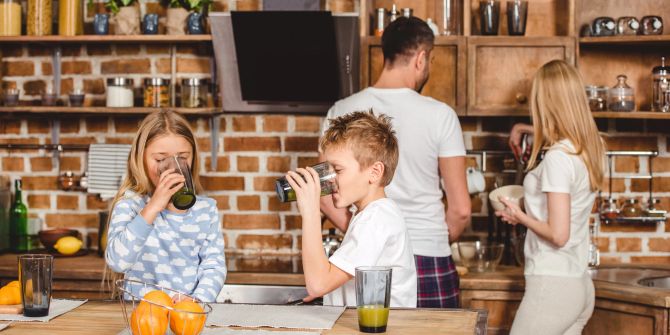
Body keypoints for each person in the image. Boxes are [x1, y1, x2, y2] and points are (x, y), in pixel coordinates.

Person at [319, 16, 470, 308]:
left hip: (362, 260)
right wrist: (431, 239)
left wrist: (362, 234)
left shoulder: (340, 111)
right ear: (421, 58)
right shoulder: (441, 115)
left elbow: (325, 196)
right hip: (429, 254)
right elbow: (461, 210)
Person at [496, 60, 606, 334]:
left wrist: (519, 215)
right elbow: (571, 132)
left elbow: (558, 234)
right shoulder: (591, 147)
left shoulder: (557, 159)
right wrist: (525, 128)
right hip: (578, 284)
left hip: (552, 286)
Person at [287, 111, 417, 307]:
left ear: (374, 172)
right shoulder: (371, 214)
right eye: (328, 171)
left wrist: (311, 211)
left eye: (337, 170)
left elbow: (318, 284)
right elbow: (342, 278)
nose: (330, 179)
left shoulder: (375, 219)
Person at [105, 110, 226, 302]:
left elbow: (214, 266)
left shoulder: (206, 209)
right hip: (143, 317)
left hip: (187, 318)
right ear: (141, 158)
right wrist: (152, 208)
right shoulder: (130, 205)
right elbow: (117, 262)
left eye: (182, 158)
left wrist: (196, 302)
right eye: (161, 160)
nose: (172, 167)